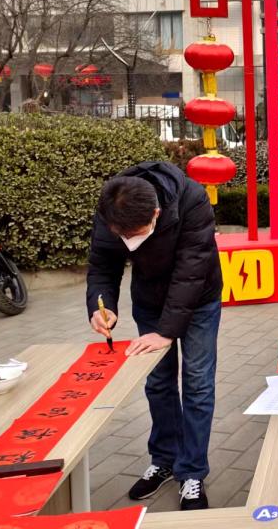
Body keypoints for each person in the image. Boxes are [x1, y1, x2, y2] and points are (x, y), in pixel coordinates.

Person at [87, 161, 222, 511]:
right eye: (123, 236)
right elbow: (102, 263)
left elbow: (192, 270)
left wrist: (166, 332)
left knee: (197, 382)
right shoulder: (111, 207)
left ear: (157, 214)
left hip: (199, 300)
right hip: (149, 300)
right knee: (158, 383)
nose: (129, 243)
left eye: (136, 234)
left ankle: (192, 471)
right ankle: (164, 459)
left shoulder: (192, 199)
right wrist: (102, 305)